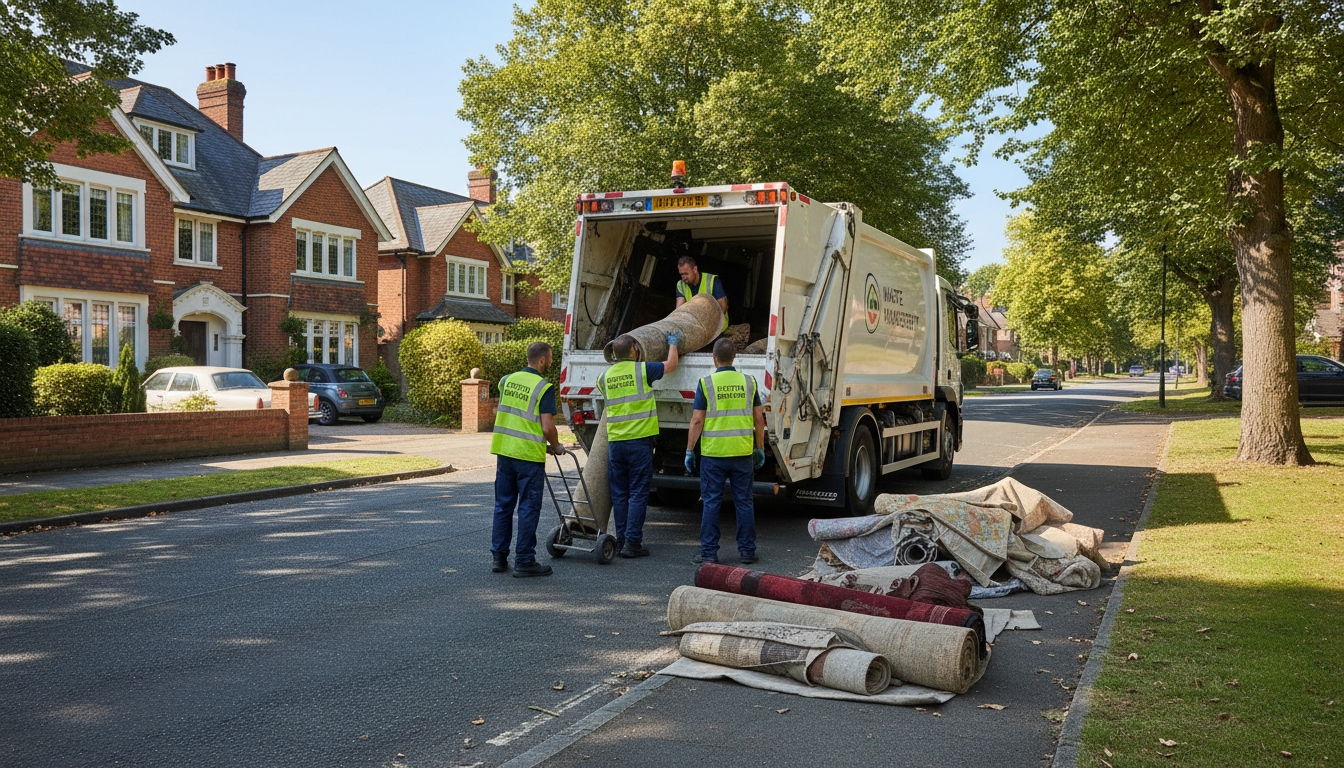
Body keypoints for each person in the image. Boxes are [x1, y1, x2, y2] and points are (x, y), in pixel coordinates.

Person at [597, 330, 680, 558]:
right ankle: (633, 542)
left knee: (620, 494)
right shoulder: (643, 370)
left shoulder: (604, 377)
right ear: (634, 351)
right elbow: (671, 364)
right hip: (639, 443)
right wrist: (672, 343)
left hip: (616, 444)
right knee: (638, 492)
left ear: (614, 354)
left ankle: (622, 539)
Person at [685, 338, 766, 565]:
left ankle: (709, 554)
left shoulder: (706, 383)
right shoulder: (749, 382)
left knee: (711, 503)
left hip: (714, 456)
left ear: (714, 358)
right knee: (744, 502)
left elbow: (697, 420)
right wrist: (759, 449)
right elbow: (759, 419)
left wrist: (690, 450)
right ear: (734, 358)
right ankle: (747, 552)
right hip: (742, 454)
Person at [490, 341, 566, 577]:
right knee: (528, 508)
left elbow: (515, 415)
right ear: (542, 360)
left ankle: (499, 558)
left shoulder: (506, 380)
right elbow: (547, 426)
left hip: (504, 452)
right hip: (528, 459)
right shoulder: (543, 387)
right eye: (551, 358)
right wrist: (556, 446)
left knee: (503, 506)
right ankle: (524, 560)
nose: (551, 362)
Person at [674, 255, 729, 334]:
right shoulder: (681, 284)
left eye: (686, 273)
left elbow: (723, 307)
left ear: (695, 269)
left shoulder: (712, 280)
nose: (684, 277)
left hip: (716, 327)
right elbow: (679, 309)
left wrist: (708, 326)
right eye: (682, 274)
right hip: (696, 325)